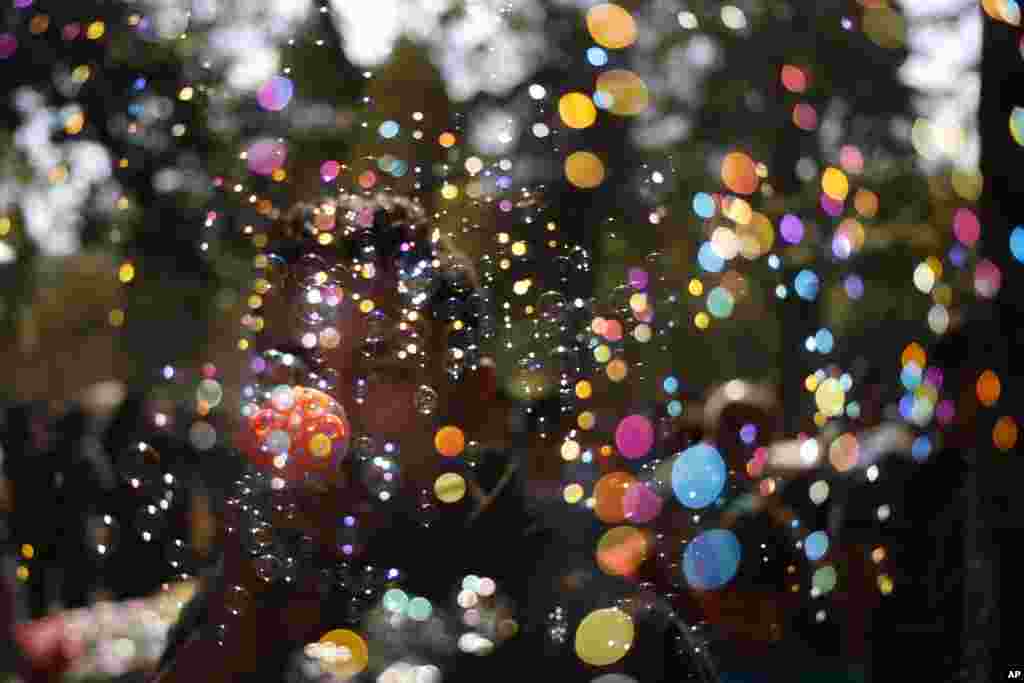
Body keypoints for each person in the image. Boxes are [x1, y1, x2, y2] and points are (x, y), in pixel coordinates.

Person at [153, 191, 712, 682]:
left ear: (473, 399)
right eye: (295, 372)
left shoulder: (601, 632)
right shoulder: (237, 614)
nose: (323, 415)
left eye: (382, 370)